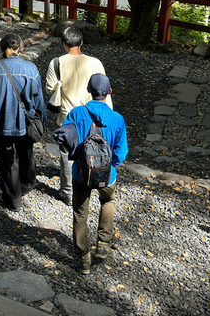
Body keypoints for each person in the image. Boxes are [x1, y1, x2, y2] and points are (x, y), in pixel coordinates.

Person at [62, 73, 127, 275]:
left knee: (80, 213)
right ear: (109, 92)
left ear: (88, 90)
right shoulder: (117, 119)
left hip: (81, 174)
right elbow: (121, 153)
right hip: (107, 175)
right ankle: (102, 244)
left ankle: (83, 260)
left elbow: (65, 140)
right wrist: (110, 165)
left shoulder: (76, 113)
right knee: (108, 201)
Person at [0, 33, 47, 210]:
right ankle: (26, 185)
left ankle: (13, 200)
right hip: (26, 121)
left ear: (2, 48)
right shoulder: (31, 69)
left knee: (8, 161)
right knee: (26, 154)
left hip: (3, 122)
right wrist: (42, 121)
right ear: (20, 48)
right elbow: (38, 99)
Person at [44, 25, 112, 195]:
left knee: (67, 154)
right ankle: (93, 178)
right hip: (92, 116)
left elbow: (49, 89)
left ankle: (67, 191)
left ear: (63, 43)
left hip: (68, 117)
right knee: (93, 149)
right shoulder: (95, 63)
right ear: (81, 42)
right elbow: (103, 90)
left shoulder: (56, 63)